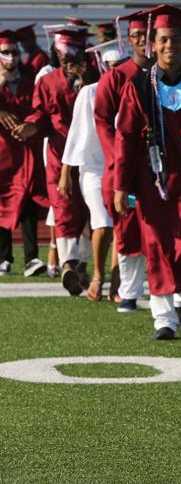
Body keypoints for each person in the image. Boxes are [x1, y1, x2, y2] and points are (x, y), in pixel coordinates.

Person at [113, 4, 181, 340]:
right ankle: (164, 319)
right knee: (156, 246)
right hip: (152, 179)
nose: (169, 46)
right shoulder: (139, 87)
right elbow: (126, 138)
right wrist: (120, 186)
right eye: (163, 41)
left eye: (175, 40)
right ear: (151, 46)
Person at [11, 24, 95, 296]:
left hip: (93, 153)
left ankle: (81, 263)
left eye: (72, 50)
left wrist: (88, 82)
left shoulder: (97, 78)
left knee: (89, 210)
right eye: (62, 51)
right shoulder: (47, 82)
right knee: (63, 207)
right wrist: (30, 127)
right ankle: (69, 263)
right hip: (59, 154)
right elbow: (41, 117)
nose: (66, 56)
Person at [94, 9, 151, 312]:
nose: (143, 41)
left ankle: (163, 287)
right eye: (137, 36)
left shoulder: (161, 74)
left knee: (163, 228)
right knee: (128, 230)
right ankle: (128, 290)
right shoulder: (115, 77)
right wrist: (118, 157)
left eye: (147, 35)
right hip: (125, 165)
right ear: (128, 40)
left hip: (158, 166)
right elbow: (103, 121)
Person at [61, 40, 125, 300]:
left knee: (123, 225)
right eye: (111, 66)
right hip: (95, 169)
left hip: (123, 169)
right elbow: (75, 133)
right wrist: (65, 172)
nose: (116, 71)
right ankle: (98, 275)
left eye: (120, 66)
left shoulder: (134, 90)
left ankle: (117, 285)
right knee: (104, 223)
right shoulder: (90, 93)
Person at [0, 28, 46, 278]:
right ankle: (3, 257)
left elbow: (39, 110)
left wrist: (28, 124)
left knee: (27, 199)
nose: (11, 57)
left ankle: (32, 257)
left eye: (14, 52)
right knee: (1, 202)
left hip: (25, 151)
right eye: (5, 52)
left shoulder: (30, 82)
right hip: (2, 154)